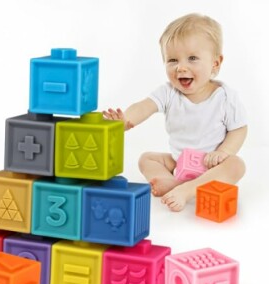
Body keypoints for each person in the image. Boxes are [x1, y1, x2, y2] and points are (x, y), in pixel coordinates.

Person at [103, 13, 247, 212]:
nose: (181, 67)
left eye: (193, 58)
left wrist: (223, 153)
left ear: (215, 63)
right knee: (146, 158)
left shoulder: (225, 97)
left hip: (211, 164)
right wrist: (126, 120)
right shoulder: (168, 93)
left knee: (236, 165)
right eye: (172, 60)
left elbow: (239, 129)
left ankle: (189, 189)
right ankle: (170, 181)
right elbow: (144, 106)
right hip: (179, 162)